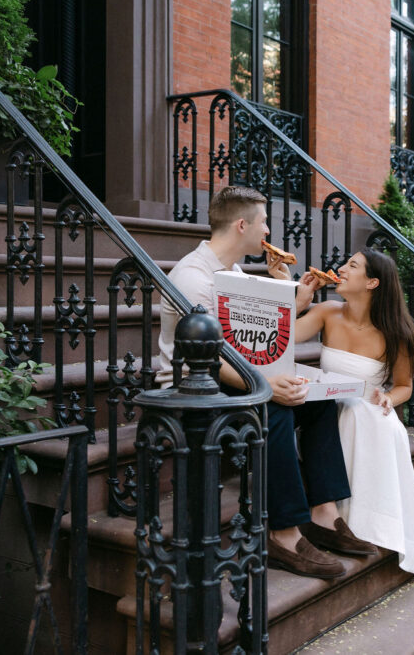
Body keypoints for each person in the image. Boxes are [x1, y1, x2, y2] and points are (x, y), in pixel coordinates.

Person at [157, 186, 377, 580]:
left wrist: (293, 294)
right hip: (192, 384)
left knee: (314, 399)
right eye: (263, 223)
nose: (268, 232)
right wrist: (264, 385)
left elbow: (257, 339)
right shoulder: (193, 278)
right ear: (242, 225)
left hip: (231, 375)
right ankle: (284, 533)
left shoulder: (236, 273)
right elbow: (209, 356)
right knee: (274, 407)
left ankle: (323, 516)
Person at [294, 248, 414, 573]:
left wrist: (391, 397)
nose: (341, 269)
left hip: (365, 410)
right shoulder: (327, 312)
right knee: (349, 413)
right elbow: (283, 338)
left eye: (352, 265)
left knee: (373, 419)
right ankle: (333, 515)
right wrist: (297, 302)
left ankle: (365, 520)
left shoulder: (395, 333)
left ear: (372, 282)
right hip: (321, 407)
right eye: (345, 264)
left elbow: (405, 385)